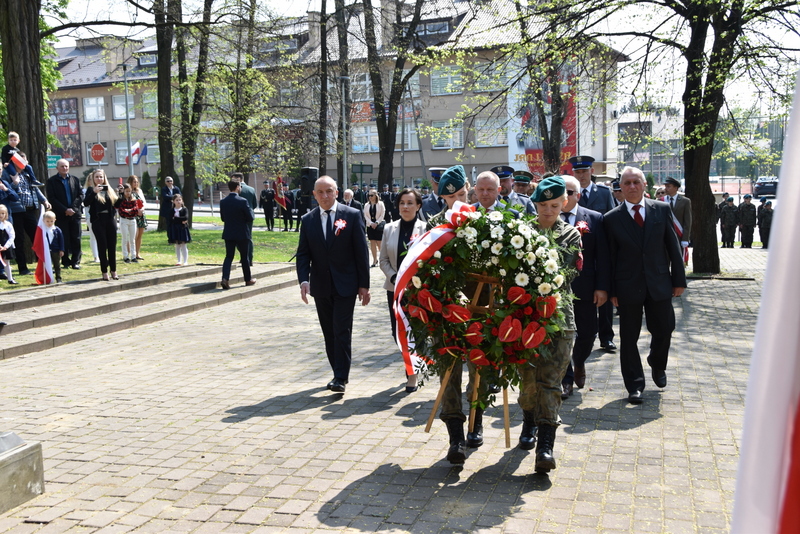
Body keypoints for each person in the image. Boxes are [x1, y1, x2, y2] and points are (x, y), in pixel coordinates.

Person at [603, 166, 686, 404]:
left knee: (665, 329)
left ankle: (657, 364)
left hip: (659, 283)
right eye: (626, 183)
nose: (631, 187)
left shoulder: (661, 209)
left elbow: (672, 246)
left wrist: (678, 280)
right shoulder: (612, 218)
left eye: (635, 182)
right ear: (620, 187)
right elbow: (610, 257)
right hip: (627, 286)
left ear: (644, 185)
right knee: (629, 338)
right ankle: (634, 385)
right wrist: (612, 291)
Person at [517, 175, 582, 474]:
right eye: (542, 205)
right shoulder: (521, 231)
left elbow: (564, 272)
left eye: (554, 205)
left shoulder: (571, 235)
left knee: (551, 383)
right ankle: (529, 420)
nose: (547, 210)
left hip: (560, 318)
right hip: (525, 317)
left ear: (564, 203)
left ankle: (546, 446)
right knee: (529, 382)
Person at [296, 176, 371, 393]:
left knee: (341, 330)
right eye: (320, 192)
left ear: (336, 192)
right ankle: (336, 371)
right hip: (321, 286)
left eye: (329, 191)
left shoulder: (352, 215)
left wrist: (364, 285)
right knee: (329, 332)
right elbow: (303, 254)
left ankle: (340, 377)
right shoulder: (308, 220)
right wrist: (303, 280)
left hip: (346, 284)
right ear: (314, 195)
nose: (325, 196)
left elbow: (361, 252)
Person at [559, 176, 610, 398]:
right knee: (560, 335)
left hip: (586, 287)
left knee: (588, 333)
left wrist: (601, 287)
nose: (565, 196)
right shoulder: (548, 218)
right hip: (557, 290)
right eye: (561, 192)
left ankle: (579, 362)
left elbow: (603, 256)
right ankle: (566, 379)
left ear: (578, 195)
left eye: (570, 192)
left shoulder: (595, 219)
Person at [379, 188, 426, 393]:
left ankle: (413, 373)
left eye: (409, 203)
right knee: (397, 332)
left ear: (418, 206)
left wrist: (415, 280)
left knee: (416, 331)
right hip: (395, 289)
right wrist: (394, 277)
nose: (405, 207)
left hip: (417, 291)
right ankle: (412, 367)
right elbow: (383, 260)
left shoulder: (426, 229)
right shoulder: (389, 228)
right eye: (402, 203)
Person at [569, 155, 616, 352]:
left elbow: (611, 220)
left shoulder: (604, 193)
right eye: (577, 172)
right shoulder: (567, 193)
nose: (581, 175)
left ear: (591, 172)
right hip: (578, 257)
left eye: (584, 171)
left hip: (598, 249)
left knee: (603, 301)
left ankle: (606, 336)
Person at [5, 153, 50, 276]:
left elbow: (35, 188)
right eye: (22, 162)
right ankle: (22, 268)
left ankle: (43, 264)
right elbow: (7, 189)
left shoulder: (27, 174)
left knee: (36, 236)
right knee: (19, 240)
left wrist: (44, 200)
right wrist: (14, 183)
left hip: (30, 210)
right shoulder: (8, 174)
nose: (24, 164)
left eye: (26, 161)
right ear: (15, 162)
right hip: (17, 211)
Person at [46, 159, 84, 270]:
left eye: (66, 166)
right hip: (61, 215)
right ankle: (65, 261)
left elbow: (80, 195)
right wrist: (65, 210)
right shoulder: (52, 181)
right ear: (57, 168)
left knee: (76, 238)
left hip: (74, 214)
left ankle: (76, 261)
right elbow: (52, 198)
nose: (64, 168)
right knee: (64, 238)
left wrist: (73, 208)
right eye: (62, 166)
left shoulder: (75, 180)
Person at [83, 169, 119, 281]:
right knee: (102, 246)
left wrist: (121, 194)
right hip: (98, 221)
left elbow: (116, 204)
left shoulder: (109, 190)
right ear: (93, 179)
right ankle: (104, 271)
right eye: (97, 177)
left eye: (101, 177)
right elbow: (85, 203)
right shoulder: (90, 190)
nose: (99, 179)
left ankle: (114, 270)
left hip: (109, 219)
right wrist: (94, 192)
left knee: (112, 246)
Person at [220, 180, 255, 289]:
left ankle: (225, 278)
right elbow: (250, 217)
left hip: (229, 232)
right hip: (242, 233)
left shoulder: (223, 201)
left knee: (229, 256)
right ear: (237, 187)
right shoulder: (242, 201)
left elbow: (223, 218)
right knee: (244, 257)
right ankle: (248, 279)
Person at [663, 176, 692, 264]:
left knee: (678, 263)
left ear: (676, 188)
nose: (666, 188)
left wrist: (685, 239)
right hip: (664, 238)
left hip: (679, 237)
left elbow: (688, 221)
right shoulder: (661, 201)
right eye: (665, 186)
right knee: (664, 262)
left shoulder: (685, 201)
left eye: (669, 186)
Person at [232, 173, 257, 265]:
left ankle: (244, 257)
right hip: (249, 216)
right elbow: (254, 204)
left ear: (238, 179)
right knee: (248, 237)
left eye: (233, 179)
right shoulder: (251, 189)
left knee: (237, 238)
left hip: (238, 216)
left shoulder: (236, 189)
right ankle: (249, 258)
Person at [116, 184, 139, 263]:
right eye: (126, 191)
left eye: (129, 191)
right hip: (124, 220)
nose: (128, 193)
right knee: (125, 238)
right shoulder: (122, 200)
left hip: (132, 220)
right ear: (124, 191)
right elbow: (121, 211)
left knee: (132, 239)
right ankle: (126, 256)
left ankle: (133, 256)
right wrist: (128, 211)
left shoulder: (133, 199)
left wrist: (129, 211)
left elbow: (136, 209)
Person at [363, 188, 385, 267]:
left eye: (371, 195)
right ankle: (374, 260)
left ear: (376, 196)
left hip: (379, 225)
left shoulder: (381, 204)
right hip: (370, 226)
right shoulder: (366, 205)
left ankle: (382, 260)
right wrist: (371, 223)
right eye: (369, 195)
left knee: (379, 243)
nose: (370, 197)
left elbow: (382, 214)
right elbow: (365, 215)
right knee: (372, 243)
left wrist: (376, 222)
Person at [127, 175, 147, 261]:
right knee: (134, 235)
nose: (136, 183)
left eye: (137, 182)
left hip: (141, 214)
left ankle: (138, 253)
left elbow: (144, 202)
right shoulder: (128, 192)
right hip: (134, 215)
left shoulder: (139, 191)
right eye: (134, 182)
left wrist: (142, 209)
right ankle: (131, 253)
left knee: (140, 235)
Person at [167, 194, 191, 266]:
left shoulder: (184, 209)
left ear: (182, 201)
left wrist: (176, 219)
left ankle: (185, 261)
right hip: (175, 229)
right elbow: (170, 219)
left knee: (183, 245)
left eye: (179, 200)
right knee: (177, 245)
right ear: (173, 201)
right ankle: (179, 260)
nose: (178, 201)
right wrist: (180, 220)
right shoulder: (172, 210)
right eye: (176, 200)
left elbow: (185, 217)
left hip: (183, 228)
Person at [43, 211, 65, 283]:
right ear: (44, 221)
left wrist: (61, 250)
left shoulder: (57, 230)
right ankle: (47, 278)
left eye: (51, 221)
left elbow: (61, 240)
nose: (49, 223)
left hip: (55, 250)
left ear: (54, 220)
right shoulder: (43, 230)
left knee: (57, 264)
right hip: (46, 250)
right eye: (47, 221)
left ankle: (58, 278)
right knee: (47, 265)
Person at [0, 205, 18, 284]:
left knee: (7, 263)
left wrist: (6, 246)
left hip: (6, 246)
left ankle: (10, 279)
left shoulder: (8, 224)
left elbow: (12, 236)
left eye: (3, 213)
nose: (1, 215)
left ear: (6, 214)